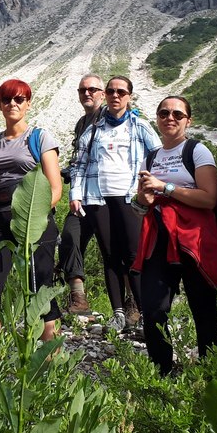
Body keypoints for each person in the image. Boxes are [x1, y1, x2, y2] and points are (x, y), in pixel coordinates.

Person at [132, 96, 217, 375]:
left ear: (188, 120)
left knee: (203, 310)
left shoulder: (197, 151)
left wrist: (165, 187)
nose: (170, 118)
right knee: (153, 310)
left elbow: (209, 198)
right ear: (157, 118)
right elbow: (142, 205)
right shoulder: (151, 156)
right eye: (164, 113)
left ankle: (212, 375)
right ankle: (161, 374)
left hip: (193, 239)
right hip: (159, 238)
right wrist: (142, 200)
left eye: (178, 114)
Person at [0, 79, 62, 342]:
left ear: (28, 104)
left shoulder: (39, 137)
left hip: (34, 220)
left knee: (40, 288)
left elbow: (55, 189)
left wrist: (35, 215)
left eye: (19, 99)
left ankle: (49, 363)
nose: (12, 104)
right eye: (7, 99)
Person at [69, 76, 160, 331]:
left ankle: (145, 314)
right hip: (98, 198)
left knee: (133, 255)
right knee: (110, 255)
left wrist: (154, 188)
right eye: (110, 91)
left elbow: (158, 157)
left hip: (130, 197)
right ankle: (118, 313)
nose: (115, 95)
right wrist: (75, 194)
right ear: (106, 95)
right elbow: (79, 164)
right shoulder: (94, 129)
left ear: (129, 96)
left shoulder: (140, 126)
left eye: (121, 91)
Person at [58, 74, 106, 315]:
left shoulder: (111, 118)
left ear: (102, 93)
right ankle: (79, 297)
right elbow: (80, 159)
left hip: (108, 197)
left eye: (93, 89)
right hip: (82, 196)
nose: (87, 93)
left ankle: (132, 304)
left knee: (115, 249)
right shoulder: (81, 123)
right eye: (82, 90)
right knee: (69, 236)